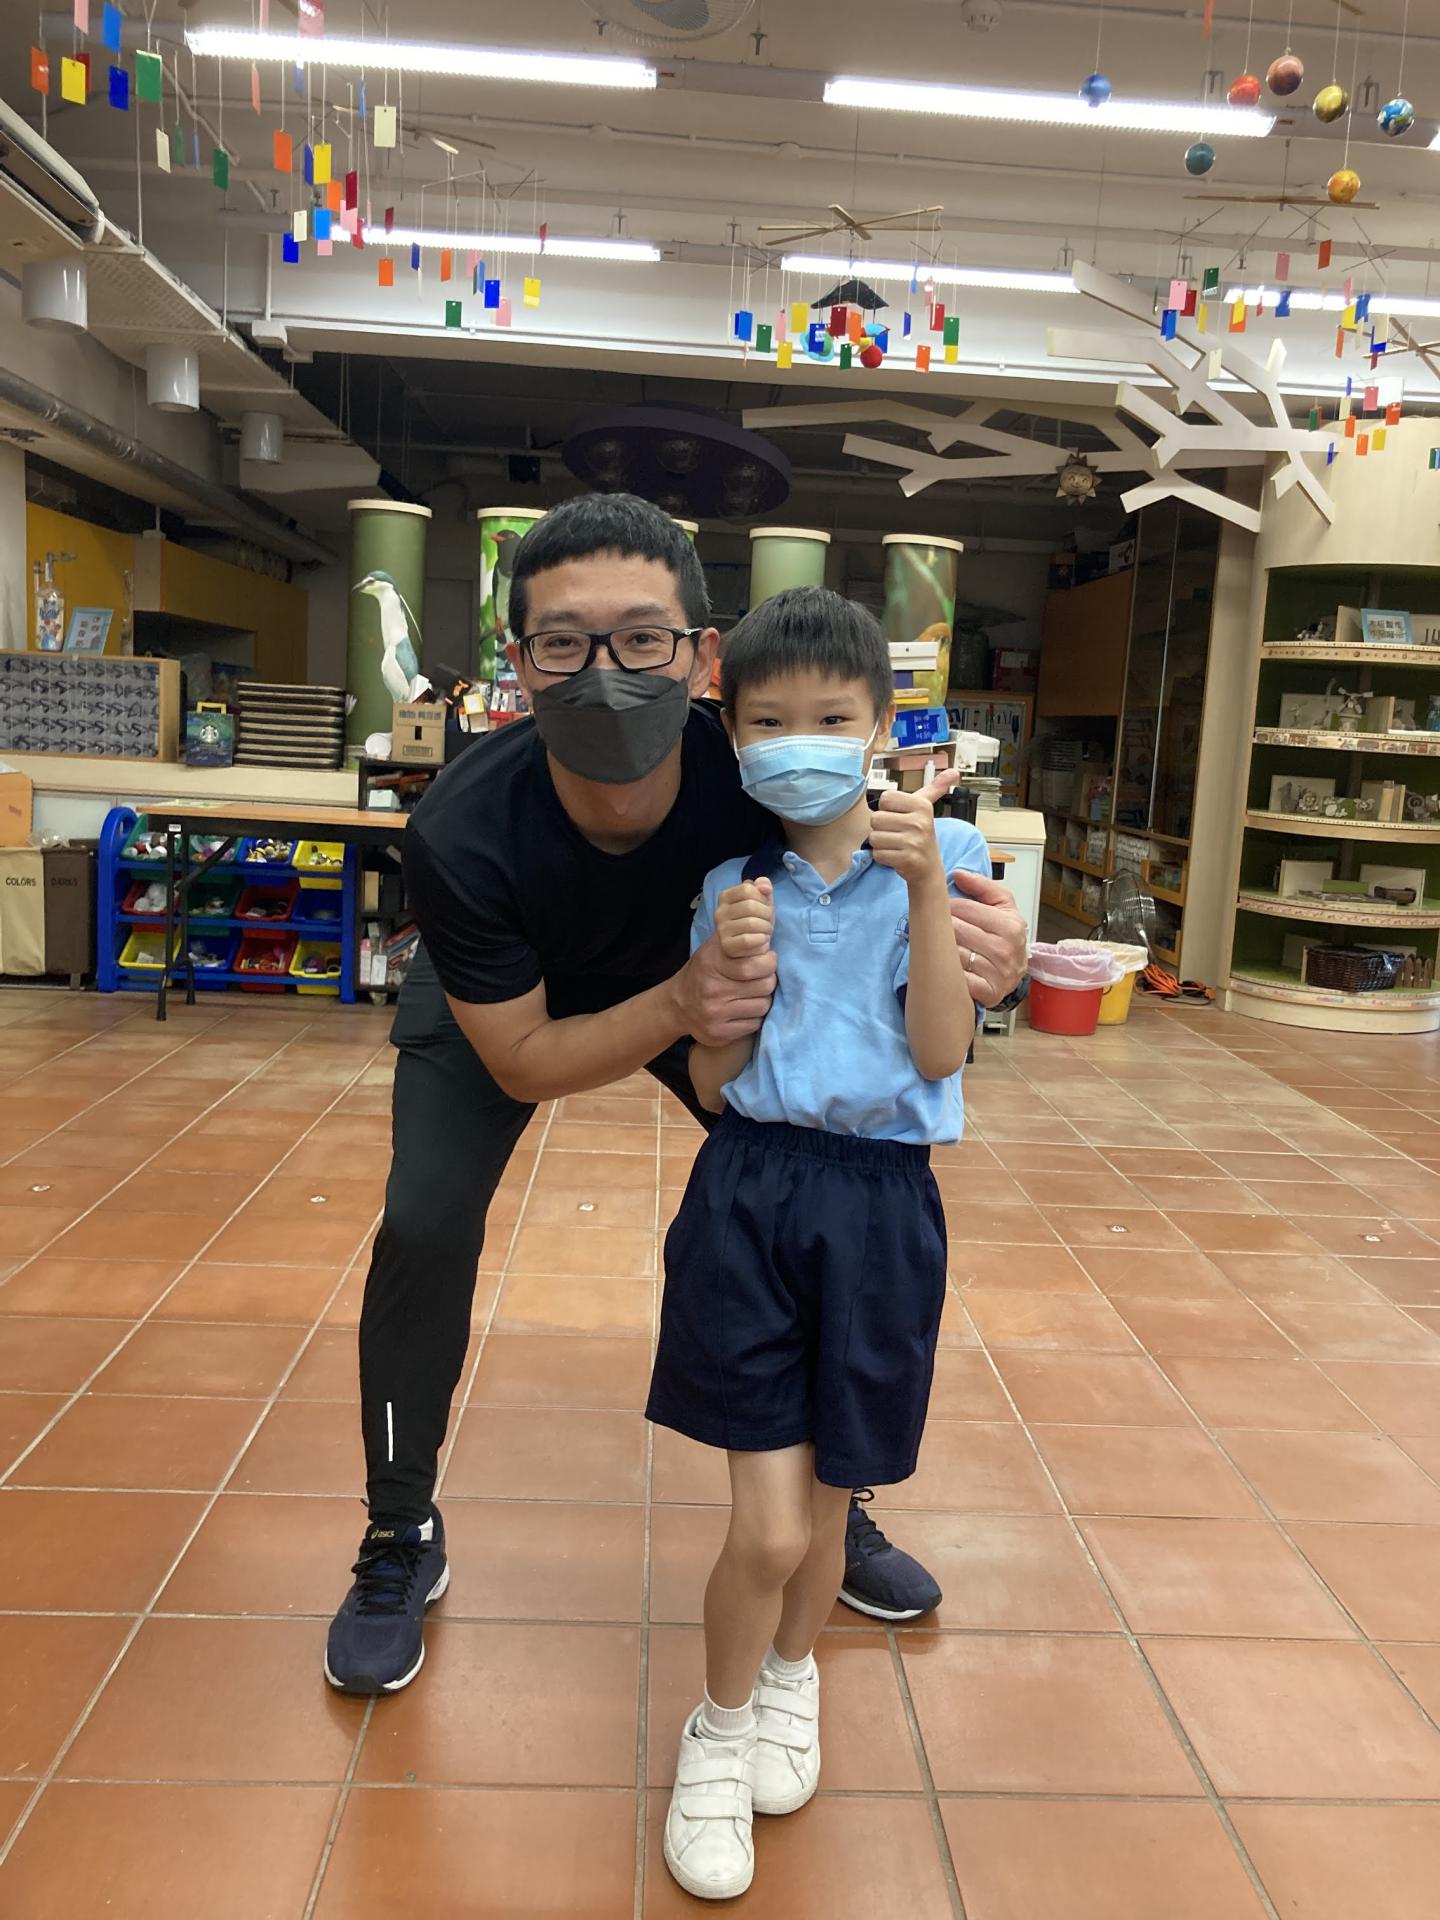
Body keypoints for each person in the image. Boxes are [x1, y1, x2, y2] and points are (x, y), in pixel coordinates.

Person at [324, 496, 1030, 1696]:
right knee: (424, 1220)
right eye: (565, 642)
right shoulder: (460, 829)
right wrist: (679, 1002)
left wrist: (986, 952)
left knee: (817, 1190)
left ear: (702, 657)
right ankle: (400, 1529)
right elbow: (524, 1058)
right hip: (521, 998)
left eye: (642, 638)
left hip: (722, 973)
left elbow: (882, 906)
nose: (605, 672)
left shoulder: (756, 768)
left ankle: (827, 1499)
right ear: (519, 662)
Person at [653, 587, 986, 1901]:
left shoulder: (947, 859)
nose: (801, 739)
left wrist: (924, 889)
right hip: (751, 1194)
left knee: (837, 1492)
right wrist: (729, 981)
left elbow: (943, 1053)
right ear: (733, 734)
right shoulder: (729, 886)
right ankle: (718, 1726)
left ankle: (792, 1677)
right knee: (772, 1529)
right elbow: (715, 1081)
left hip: (885, 1204)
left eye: (833, 717)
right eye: (770, 719)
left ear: (881, 729)